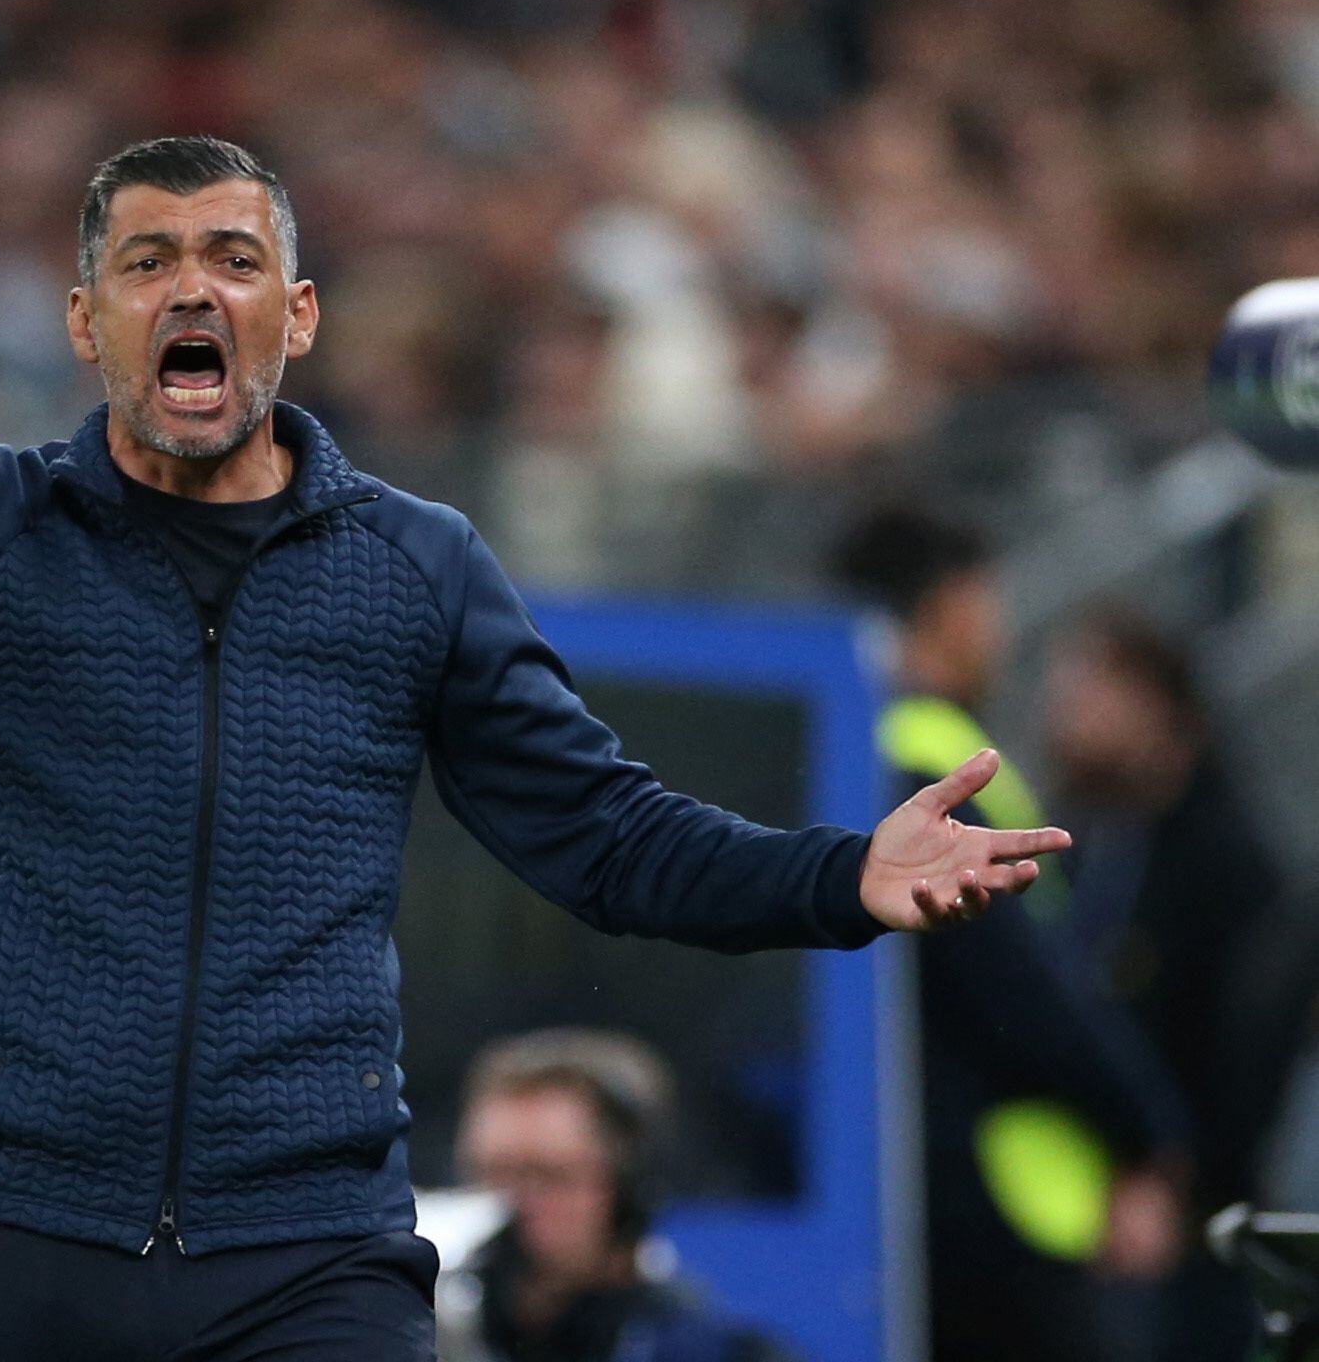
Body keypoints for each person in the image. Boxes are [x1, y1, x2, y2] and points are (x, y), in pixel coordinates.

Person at [0, 136, 1071, 1361]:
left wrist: (839, 875)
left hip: (306, 1261)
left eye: (232, 259)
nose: (192, 290)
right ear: (85, 322)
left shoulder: (414, 569)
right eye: (145, 260)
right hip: (15, 1248)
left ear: (293, 318)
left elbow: (604, 839)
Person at [830, 506, 1189, 1362]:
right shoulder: (938, 766)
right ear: (953, 606)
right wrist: (1147, 1131)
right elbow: (1026, 990)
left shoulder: (847, 742)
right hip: (993, 1191)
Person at [1046, 608, 1310, 1360]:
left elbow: (1248, 1048)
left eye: (1088, 687)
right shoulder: (1093, 840)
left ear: (1152, 701)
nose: (1063, 708)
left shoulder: (1230, 863)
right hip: (1105, 1206)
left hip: (1192, 1228)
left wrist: (1179, 1185)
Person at [438, 1030, 791, 1362]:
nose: (508, 1203)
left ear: (630, 1190)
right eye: (490, 1174)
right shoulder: (428, 1339)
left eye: (548, 1175)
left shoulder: (717, 1353)